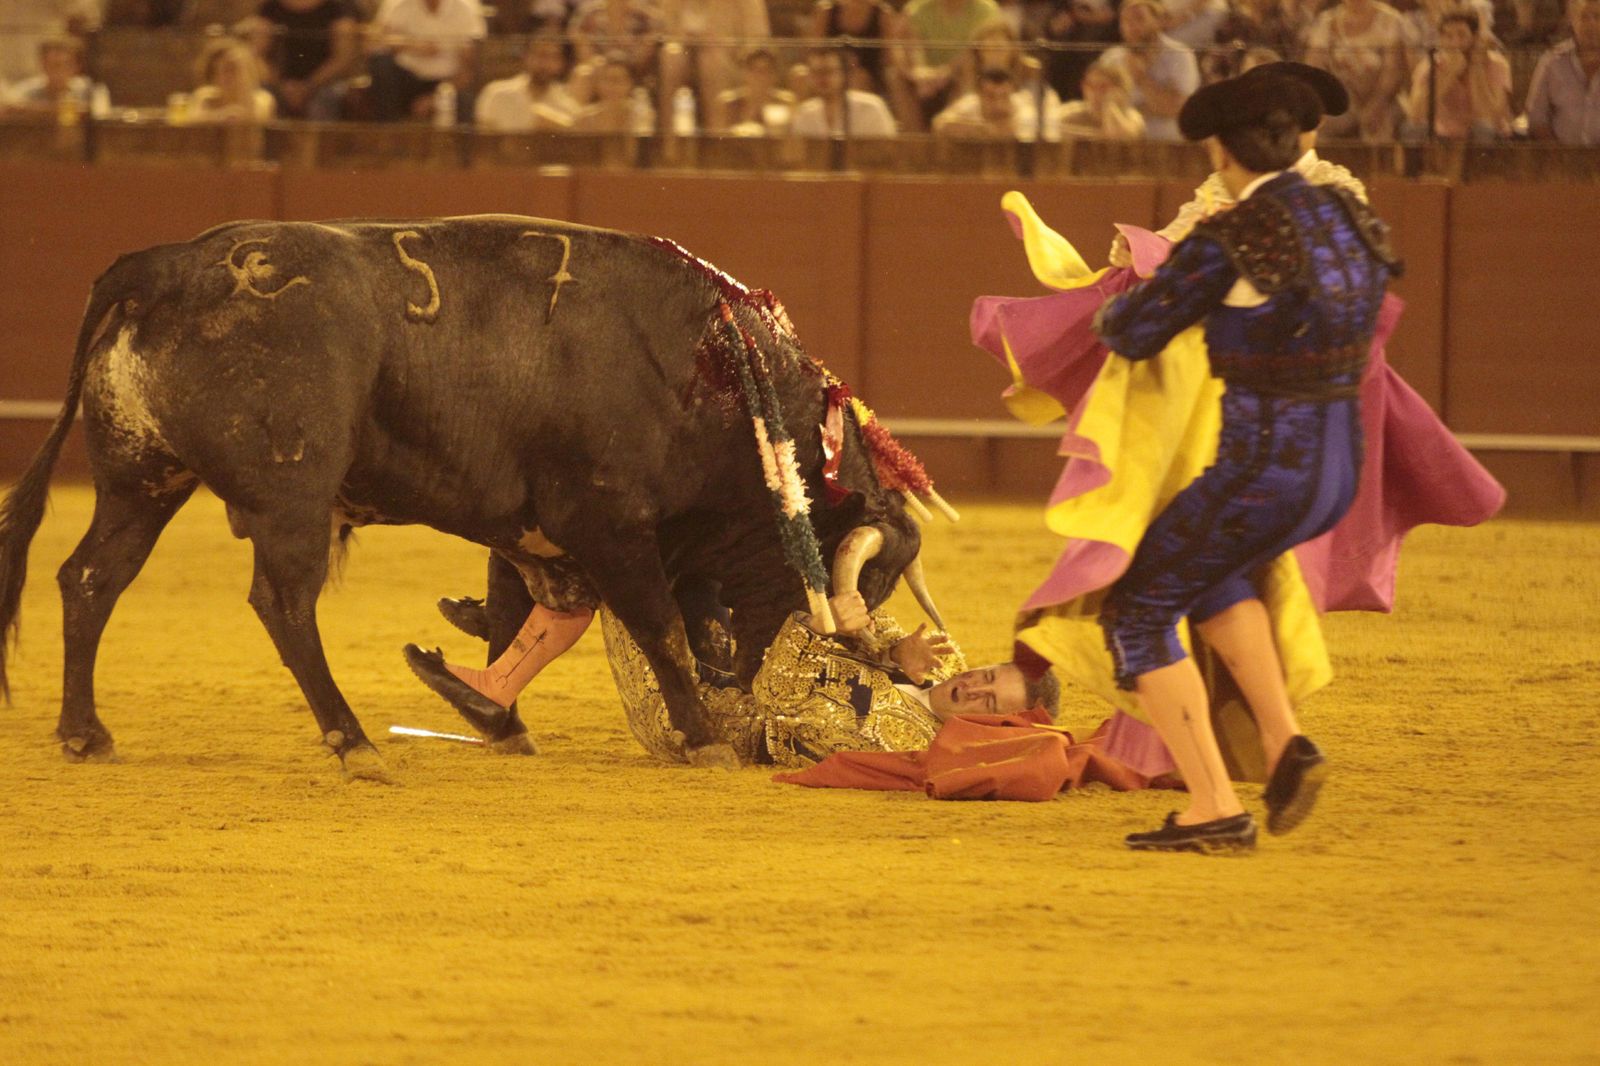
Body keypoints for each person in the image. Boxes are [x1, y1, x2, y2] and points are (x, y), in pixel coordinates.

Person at [1082, 72, 1402, 851]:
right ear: (1298, 140)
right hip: (1336, 469)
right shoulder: (1352, 217)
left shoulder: (1241, 233)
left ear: (1222, 149)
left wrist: (1106, 298)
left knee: (1140, 604)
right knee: (1209, 572)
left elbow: (1131, 329)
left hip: (1263, 469)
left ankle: (1213, 806)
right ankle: (1288, 743)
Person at [408, 586, 1058, 766]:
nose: (971, 684)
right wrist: (895, 653)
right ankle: (512, 620)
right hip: (739, 652)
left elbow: (780, 693)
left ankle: (509, 646)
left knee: (621, 570)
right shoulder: (936, 668)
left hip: (698, 714)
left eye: (985, 700)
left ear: (991, 728)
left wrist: (816, 624)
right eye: (987, 674)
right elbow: (872, 622)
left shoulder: (897, 739)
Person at [1304, 0, 1409, 141]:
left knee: (1379, 128)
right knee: (1318, 125)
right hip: (1340, 99)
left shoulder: (1390, 20)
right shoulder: (1326, 21)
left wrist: (1376, 105)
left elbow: (1393, 71)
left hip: (1383, 100)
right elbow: (1314, 69)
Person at [1097, 0, 1202, 140]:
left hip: (1168, 145)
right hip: (1123, 144)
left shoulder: (1180, 55)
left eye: (1139, 18)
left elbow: (1178, 109)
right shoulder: (1111, 59)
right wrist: (1153, 104)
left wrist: (1140, 78)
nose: (1131, 26)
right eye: (1125, 20)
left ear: (1158, 21)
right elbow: (1100, 107)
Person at [367, 0, 487, 123]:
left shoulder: (466, 7)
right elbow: (374, 42)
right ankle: (389, 133)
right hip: (406, 80)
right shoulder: (396, 4)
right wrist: (413, 46)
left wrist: (434, 98)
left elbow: (469, 68)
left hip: (447, 84)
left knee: (464, 100)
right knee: (381, 64)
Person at [1402, 9, 1511, 140]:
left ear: (1475, 37)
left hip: (1479, 130)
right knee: (1413, 130)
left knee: (1483, 128)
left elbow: (1493, 116)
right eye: (1448, 36)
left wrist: (1476, 68)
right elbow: (1416, 114)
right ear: (1441, 39)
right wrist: (1449, 73)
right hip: (1442, 132)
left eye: (1462, 35)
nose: (1455, 43)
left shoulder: (1496, 64)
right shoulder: (1430, 65)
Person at [900, 0, 1005, 128]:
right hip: (928, 81)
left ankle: (955, 127)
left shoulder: (985, 9)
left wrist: (948, 72)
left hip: (964, 74)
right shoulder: (915, 9)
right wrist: (921, 73)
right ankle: (914, 140)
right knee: (894, 77)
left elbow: (974, 51)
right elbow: (912, 49)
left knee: (968, 69)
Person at [256, 0, 358, 121]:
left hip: (325, 82)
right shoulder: (271, 6)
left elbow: (343, 58)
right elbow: (257, 53)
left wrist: (308, 87)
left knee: (326, 99)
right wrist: (281, 85)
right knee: (262, 99)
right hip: (278, 83)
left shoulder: (339, 6)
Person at [473, 22, 583, 131]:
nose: (544, 63)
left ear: (561, 64)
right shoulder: (496, 94)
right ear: (526, 57)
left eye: (552, 57)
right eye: (540, 55)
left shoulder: (568, 107)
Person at [1524, 0, 1600, 144]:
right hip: (1560, 159)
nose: (1591, 24)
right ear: (1573, 21)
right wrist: (1559, 156)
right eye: (1584, 17)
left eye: (1598, 17)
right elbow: (1536, 118)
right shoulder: (1552, 62)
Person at [790, 46, 899, 136]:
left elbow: (887, 153)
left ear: (844, 74)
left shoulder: (871, 108)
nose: (822, 78)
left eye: (828, 71)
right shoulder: (804, 113)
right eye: (816, 72)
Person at [708, 47, 797, 133]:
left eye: (766, 71)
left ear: (774, 75)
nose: (760, 77)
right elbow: (717, 138)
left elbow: (792, 137)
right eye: (755, 70)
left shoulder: (785, 102)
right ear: (745, 73)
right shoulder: (728, 104)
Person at [189, 36, 278, 123]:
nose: (225, 76)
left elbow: (259, 121)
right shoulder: (205, 97)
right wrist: (221, 116)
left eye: (232, 68)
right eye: (218, 71)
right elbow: (192, 122)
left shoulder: (262, 100)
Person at [1057, 55, 1147, 138]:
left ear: (1119, 90)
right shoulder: (1069, 114)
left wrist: (1110, 107)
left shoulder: (1131, 118)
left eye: (1103, 87)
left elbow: (1120, 141)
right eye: (1089, 86)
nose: (1094, 93)